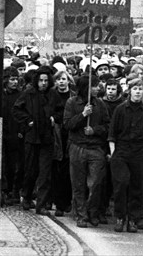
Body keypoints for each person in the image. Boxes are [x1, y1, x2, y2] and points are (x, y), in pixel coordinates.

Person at [64, 75, 110, 228]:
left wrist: (95, 130)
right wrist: (83, 115)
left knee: (96, 183)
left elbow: (107, 127)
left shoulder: (101, 104)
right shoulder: (72, 103)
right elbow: (68, 124)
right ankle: (81, 215)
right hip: (78, 146)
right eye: (94, 86)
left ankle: (92, 211)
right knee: (78, 184)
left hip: (95, 148)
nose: (98, 88)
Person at [109, 78, 143, 233]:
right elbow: (112, 133)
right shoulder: (120, 109)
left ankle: (133, 219)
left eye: (141, 89)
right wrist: (113, 152)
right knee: (121, 183)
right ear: (129, 91)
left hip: (139, 151)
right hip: (121, 150)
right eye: (135, 89)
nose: (138, 92)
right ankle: (120, 217)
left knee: (137, 186)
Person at [12, 66, 57, 215]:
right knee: (30, 170)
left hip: (47, 138)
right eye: (41, 80)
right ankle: (26, 195)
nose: (43, 83)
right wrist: (28, 121)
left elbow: (60, 110)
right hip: (32, 137)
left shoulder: (52, 94)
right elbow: (17, 109)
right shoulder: (28, 93)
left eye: (45, 80)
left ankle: (41, 204)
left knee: (45, 173)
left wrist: (54, 118)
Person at [51, 69, 76, 217]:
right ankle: (57, 202)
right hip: (56, 132)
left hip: (69, 132)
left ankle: (66, 201)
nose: (61, 81)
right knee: (56, 168)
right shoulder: (52, 95)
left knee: (68, 168)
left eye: (64, 79)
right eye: (59, 79)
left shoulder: (73, 96)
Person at [2, 66, 23, 205]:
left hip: (16, 134)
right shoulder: (0, 94)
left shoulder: (20, 95)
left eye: (16, 79)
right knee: (4, 164)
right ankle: (5, 190)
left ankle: (13, 190)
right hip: (3, 133)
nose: (14, 82)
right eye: (12, 79)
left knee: (16, 165)